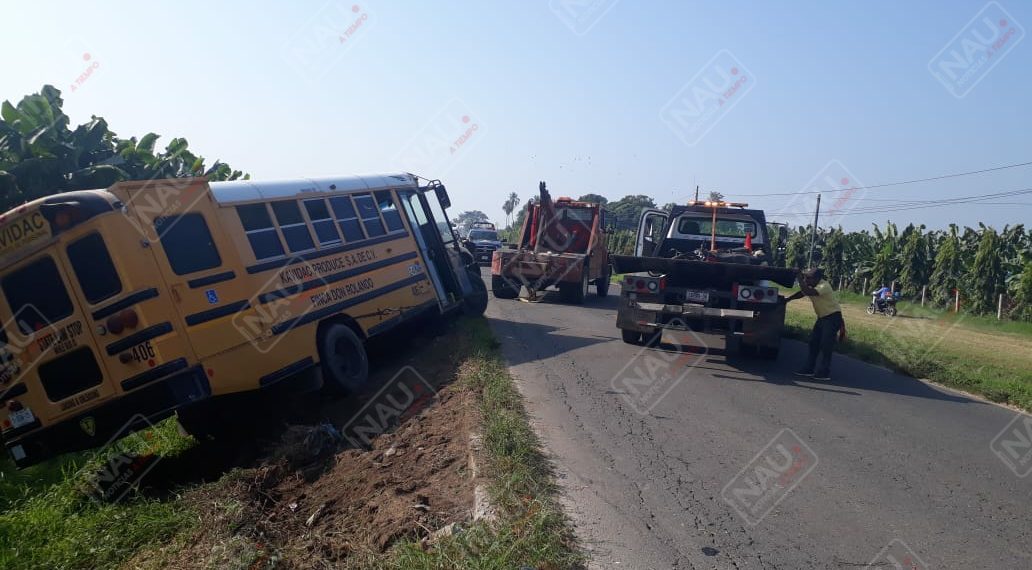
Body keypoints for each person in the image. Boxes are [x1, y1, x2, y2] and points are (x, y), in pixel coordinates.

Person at [786, 268, 844, 381]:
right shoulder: (812, 285)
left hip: (832, 317)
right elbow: (801, 293)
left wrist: (799, 277)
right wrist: (788, 299)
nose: (806, 280)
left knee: (826, 345)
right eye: (805, 277)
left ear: (817, 278)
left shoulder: (824, 286)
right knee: (813, 343)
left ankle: (824, 372)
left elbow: (807, 292)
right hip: (822, 318)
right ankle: (809, 369)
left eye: (808, 278)